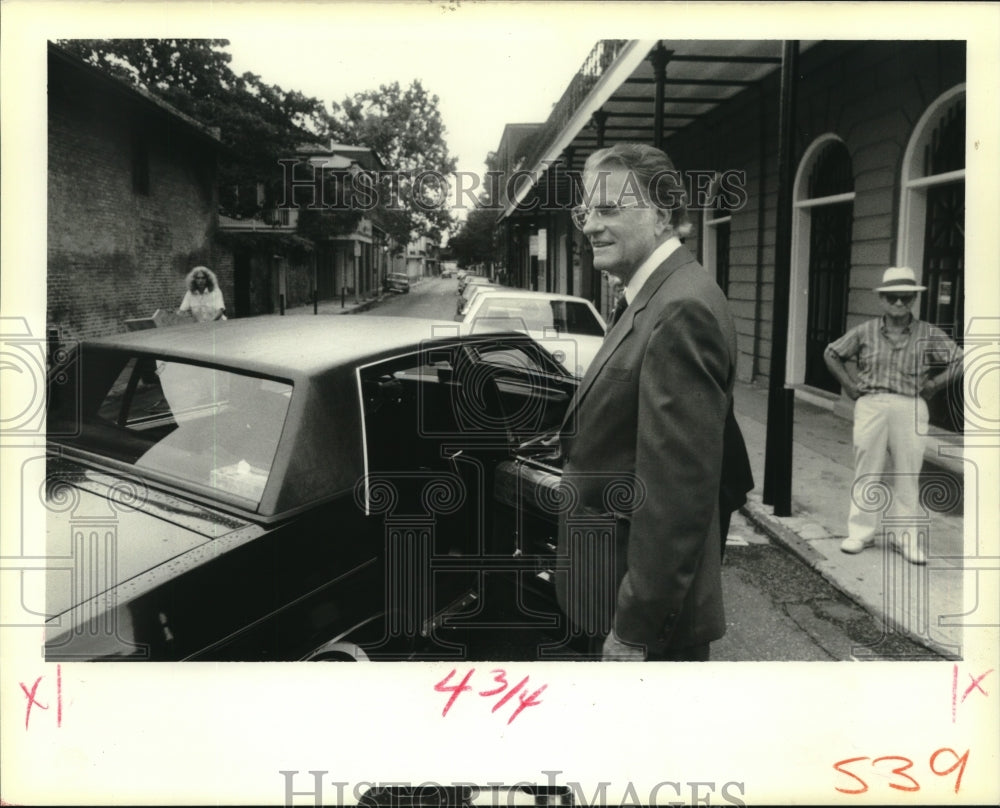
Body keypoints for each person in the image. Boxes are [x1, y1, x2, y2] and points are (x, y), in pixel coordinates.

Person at [555, 143, 739, 661]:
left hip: (641, 625)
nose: (589, 225)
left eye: (609, 208)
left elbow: (674, 498)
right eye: (585, 210)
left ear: (662, 215)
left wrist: (635, 628)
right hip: (610, 587)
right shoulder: (658, 293)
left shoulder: (679, 308)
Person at [823, 266, 962, 565]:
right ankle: (861, 532)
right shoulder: (865, 331)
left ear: (913, 300)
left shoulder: (927, 333)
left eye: (905, 298)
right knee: (867, 469)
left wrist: (936, 384)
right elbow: (832, 353)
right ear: (882, 300)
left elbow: (960, 360)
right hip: (872, 403)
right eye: (892, 298)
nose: (899, 303)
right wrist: (848, 384)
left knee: (908, 473)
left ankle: (905, 538)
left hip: (910, 405)